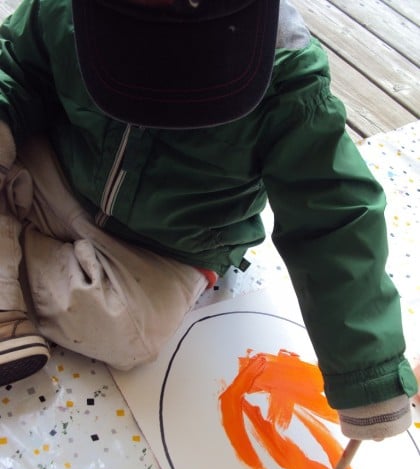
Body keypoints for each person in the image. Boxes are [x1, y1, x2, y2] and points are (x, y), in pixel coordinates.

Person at [0, 0, 417, 441]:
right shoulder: (63, 8)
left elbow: (333, 213)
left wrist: (368, 373)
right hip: (60, 170)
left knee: (127, 333)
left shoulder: (285, 69)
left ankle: (10, 237)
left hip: (164, 246)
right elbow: (16, 68)